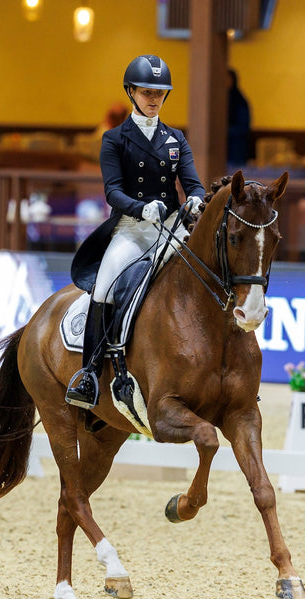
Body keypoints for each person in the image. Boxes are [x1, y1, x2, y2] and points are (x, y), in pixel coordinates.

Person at [65, 55, 206, 410]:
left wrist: (197, 201)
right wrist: (141, 208)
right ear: (131, 92)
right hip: (133, 229)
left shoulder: (176, 139)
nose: (153, 99)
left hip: (172, 228)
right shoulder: (115, 139)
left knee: (210, 273)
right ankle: (90, 373)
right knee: (105, 284)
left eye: (159, 93)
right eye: (146, 92)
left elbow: (193, 184)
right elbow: (112, 191)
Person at [227, 68, 251, 168]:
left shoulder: (239, 101)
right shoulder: (218, 99)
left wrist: (224, 131)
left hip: (236, 148)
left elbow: (243, 126)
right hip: (221, 150)